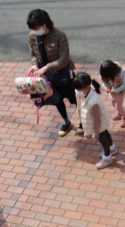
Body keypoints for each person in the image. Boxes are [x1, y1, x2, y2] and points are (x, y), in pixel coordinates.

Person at [27, 9, 79, 137]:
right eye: (32, 28)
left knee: (74, 98)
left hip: (64, 74)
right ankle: (67, 122)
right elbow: (33, 54)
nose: (35, 31)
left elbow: (64, 59)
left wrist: (47, 67)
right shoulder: (32, 36)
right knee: (57, 99)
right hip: (47, 77)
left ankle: (84, 121)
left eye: (36, 27)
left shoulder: (59, 35)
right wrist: (34, 65)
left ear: (45, 24)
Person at [73, 72, 117, 170]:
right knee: (105, 132)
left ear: (85, 87)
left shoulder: (93, 101)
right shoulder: (87, 90)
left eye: (79, 89)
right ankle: (112, 147)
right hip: (101, 123)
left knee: (102, 140)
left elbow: (97, 120)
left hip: (98, 124)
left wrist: (96, 133)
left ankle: (107, 157)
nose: (77, 91)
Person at [99, 60, 125, 128]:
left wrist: (116, 90)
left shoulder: (122, 73)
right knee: (113, 103)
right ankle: (119, 114)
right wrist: (106, 87)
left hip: (119, 92)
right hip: (112, 91)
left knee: (118, 106)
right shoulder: (104, 72)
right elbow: (104, 82)